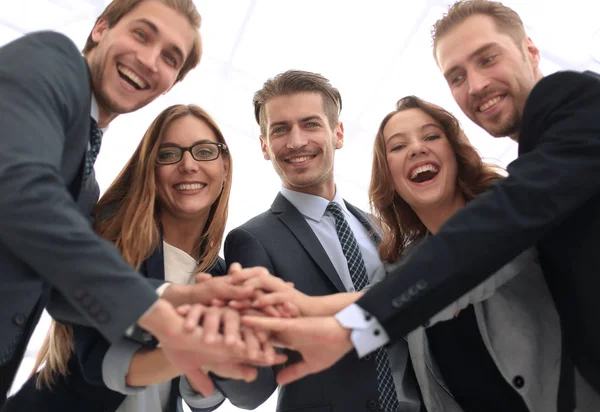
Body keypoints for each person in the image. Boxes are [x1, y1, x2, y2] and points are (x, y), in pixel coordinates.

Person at [241, 1, 600, 410]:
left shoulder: (571, 104)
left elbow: (482, 245)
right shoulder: (398, 257)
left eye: (488, 58)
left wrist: (351, 328)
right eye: (457, 76)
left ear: (530, 51)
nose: (477, 85)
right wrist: (316, 311)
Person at [0, 0, 260, 403]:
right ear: (101, 28)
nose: (149, 59)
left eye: (170, 57)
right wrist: (158, 317)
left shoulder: (85, 185)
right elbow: (20, 191)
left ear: (172, 81)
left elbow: (60, 293)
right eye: (141, 34)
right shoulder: (50, 58)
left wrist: (171, 298)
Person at [244, 95, 562, 411]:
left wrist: (326, 318)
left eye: (431, 136)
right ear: (390, 176)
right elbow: (390, 309)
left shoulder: (509, 209)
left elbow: (441, 283)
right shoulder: (402, 260)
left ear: (455, 150)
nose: (416, 148)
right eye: (397, 146)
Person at [2, 104, 283, 412]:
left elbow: (201, 399)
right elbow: (99, 364)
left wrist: (222, 354)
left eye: (204, 152)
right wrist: (195, 349)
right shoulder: (110, 236)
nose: (188, 164)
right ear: (151, 167)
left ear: (225, 165)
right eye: (169, 154)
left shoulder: (217, 275)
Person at [216, 70, 422, 412]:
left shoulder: (381, 228)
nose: (296, 141)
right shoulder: (252, 240)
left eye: (310, 124)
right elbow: (254, 383)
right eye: (280, 129)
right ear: (265, 146)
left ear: (337, 133)